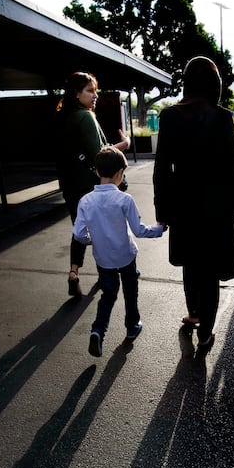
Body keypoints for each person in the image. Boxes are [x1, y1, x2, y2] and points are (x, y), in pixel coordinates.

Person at [153, 55, 234, 350]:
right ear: (214, 84)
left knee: (191, 264)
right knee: (211, 271)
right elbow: (232, 168)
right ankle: (206, 332)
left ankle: (193, 313)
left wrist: (162, 210)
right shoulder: (222, 117)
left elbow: (162, 168)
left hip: (183, 204)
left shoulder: (169, 116)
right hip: (216, 207)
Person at [74, 146, 166, 357]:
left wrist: (93, 240)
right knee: (130, 292)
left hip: (103, 259)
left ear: (97, 171)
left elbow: (79, 234)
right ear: (119, 173)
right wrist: (160, 229)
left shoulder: (85, 201)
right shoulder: (125, 200)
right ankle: (132, 326)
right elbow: (139, 230)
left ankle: (98, 331)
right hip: (125, 257)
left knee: (108, 295)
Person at [55, 71, 130, 299]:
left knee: (79, 229)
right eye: (90, 91)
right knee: (98, 231)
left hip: (70, 185)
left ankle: (74, 272)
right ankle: (104, 275)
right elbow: (100, 155)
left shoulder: (62, 118)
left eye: (95, 91)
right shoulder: (85, 117)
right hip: (90, 186)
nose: (94, 96)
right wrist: (124, 144)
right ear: (77, 94)